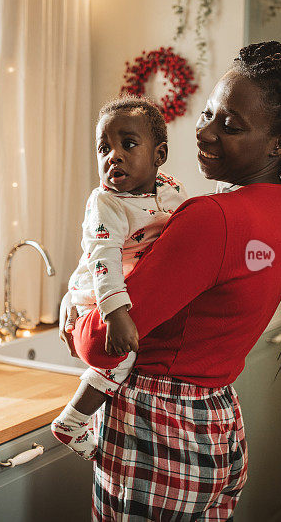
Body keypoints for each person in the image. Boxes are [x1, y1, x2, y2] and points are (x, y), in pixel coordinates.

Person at [60, 41, 281, 520]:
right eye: (208, 112)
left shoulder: (212, 217)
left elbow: (104, 344)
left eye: (230, 125)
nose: (204, 132)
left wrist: (77, 313)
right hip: (215, 422)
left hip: (158, 430)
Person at [51, 96, 188, 460]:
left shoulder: (171, 189)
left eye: (128, 144)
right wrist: (114, 314)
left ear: (159, 155)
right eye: (104, 148)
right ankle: (71, 422)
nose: (113, 155)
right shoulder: (107, 202)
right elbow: (103, 259)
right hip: (98, 290)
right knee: (121, 360)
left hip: (123, 285)